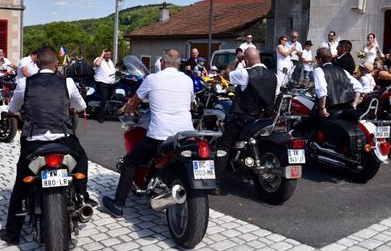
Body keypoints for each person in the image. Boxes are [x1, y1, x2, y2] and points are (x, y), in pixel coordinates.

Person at [0, 46, 90, 245]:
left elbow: (13, 108)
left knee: (20, 186)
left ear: (37, 64)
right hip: (63, 141)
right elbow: (82, 106)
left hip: (34, 143)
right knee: (82, 158)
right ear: (56, 64)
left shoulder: (25, 83)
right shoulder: (67, 82)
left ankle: (12, 233)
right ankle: (83, 194)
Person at [102, 49, 194, 217]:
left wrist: (124, 109)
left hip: (160, 136)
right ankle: (150, 183)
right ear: (179, 64)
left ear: (163, 63)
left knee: (130, 162)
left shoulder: (152, 79)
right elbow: (190, 105)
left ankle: (117, 206)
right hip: (186, 135)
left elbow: (133, 103)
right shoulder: (188, 80)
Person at [216, 48, 277, 185]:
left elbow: (226, 74)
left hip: (243, 118)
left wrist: (238, 59)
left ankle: (216, 182)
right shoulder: (274, 76)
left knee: (224, 145)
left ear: (247, 60)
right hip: (262, 120)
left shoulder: (245, 73)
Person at [296, 48, 362, 133]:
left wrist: (322, 108)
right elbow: (358, 86)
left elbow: (322, 90)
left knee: (302, 127)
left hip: (330, 110)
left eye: (316, 58)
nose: (316, 60)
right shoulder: (342, 70)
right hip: (344, 109)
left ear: (320, 59)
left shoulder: (319, 70)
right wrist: (354, 104)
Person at [93, 48, 116, 123]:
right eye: (107, 54)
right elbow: (97, 64)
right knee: (104, 97)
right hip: (102, 83)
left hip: (111, 83)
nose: (109, 55)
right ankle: (101, 116)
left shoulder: (110, 61)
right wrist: (102, 54)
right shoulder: (99, 59)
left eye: (110, 54)